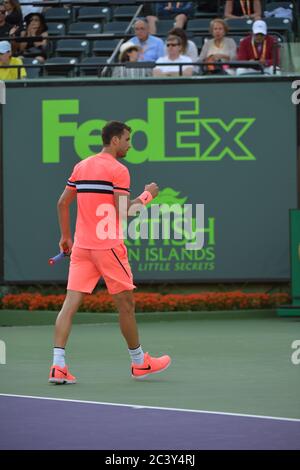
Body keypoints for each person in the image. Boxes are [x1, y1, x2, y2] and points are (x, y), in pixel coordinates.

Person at [49, 121, 171, 384]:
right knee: (126, 306)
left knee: (69, 305)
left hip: (82, 247)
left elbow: (62, 203)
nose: (129, 145)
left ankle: (58, 366)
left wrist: (66, 237)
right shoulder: (118, 170)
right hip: (108, 247)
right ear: (115, 140)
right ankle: (140, 364)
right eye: (127, 140)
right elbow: (125, 211)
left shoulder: (82, 166)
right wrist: (148, 196)